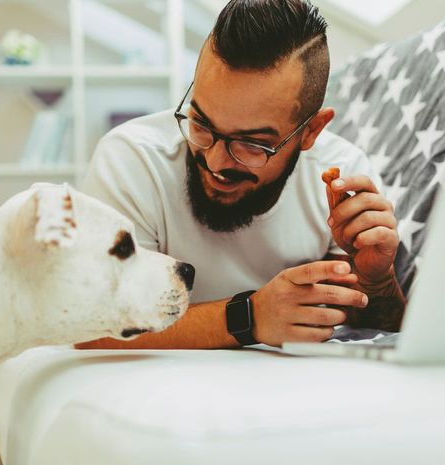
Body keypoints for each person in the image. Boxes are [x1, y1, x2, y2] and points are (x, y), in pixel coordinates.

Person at [78, 0, 405, 349]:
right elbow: (91, 329)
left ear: (310, 132)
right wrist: (248, 317)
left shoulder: (340, 177)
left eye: (252, 144)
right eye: (201, 123)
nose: (216, 162)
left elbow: (373, 327)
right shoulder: (133, 160)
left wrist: (376, 279)